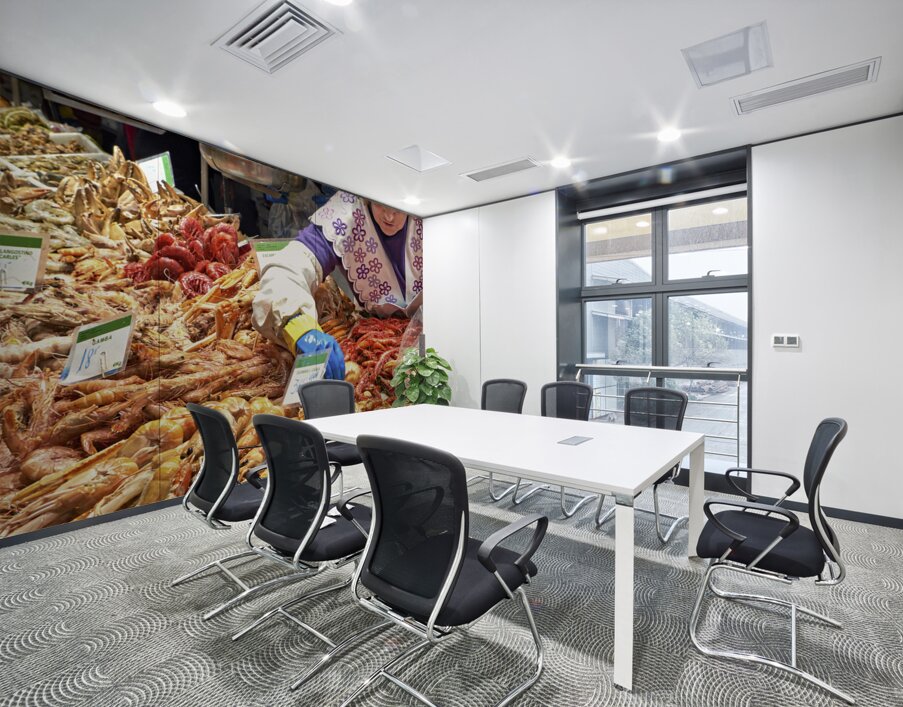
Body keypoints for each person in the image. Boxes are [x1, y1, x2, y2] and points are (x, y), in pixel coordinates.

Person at [252, 191, 423, 380]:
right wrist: (298, 325)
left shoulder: (437, 207)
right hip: (378, 341)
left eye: (399, 208)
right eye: (380, 203)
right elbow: (286, 269)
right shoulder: (344, 214)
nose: (389, 216)